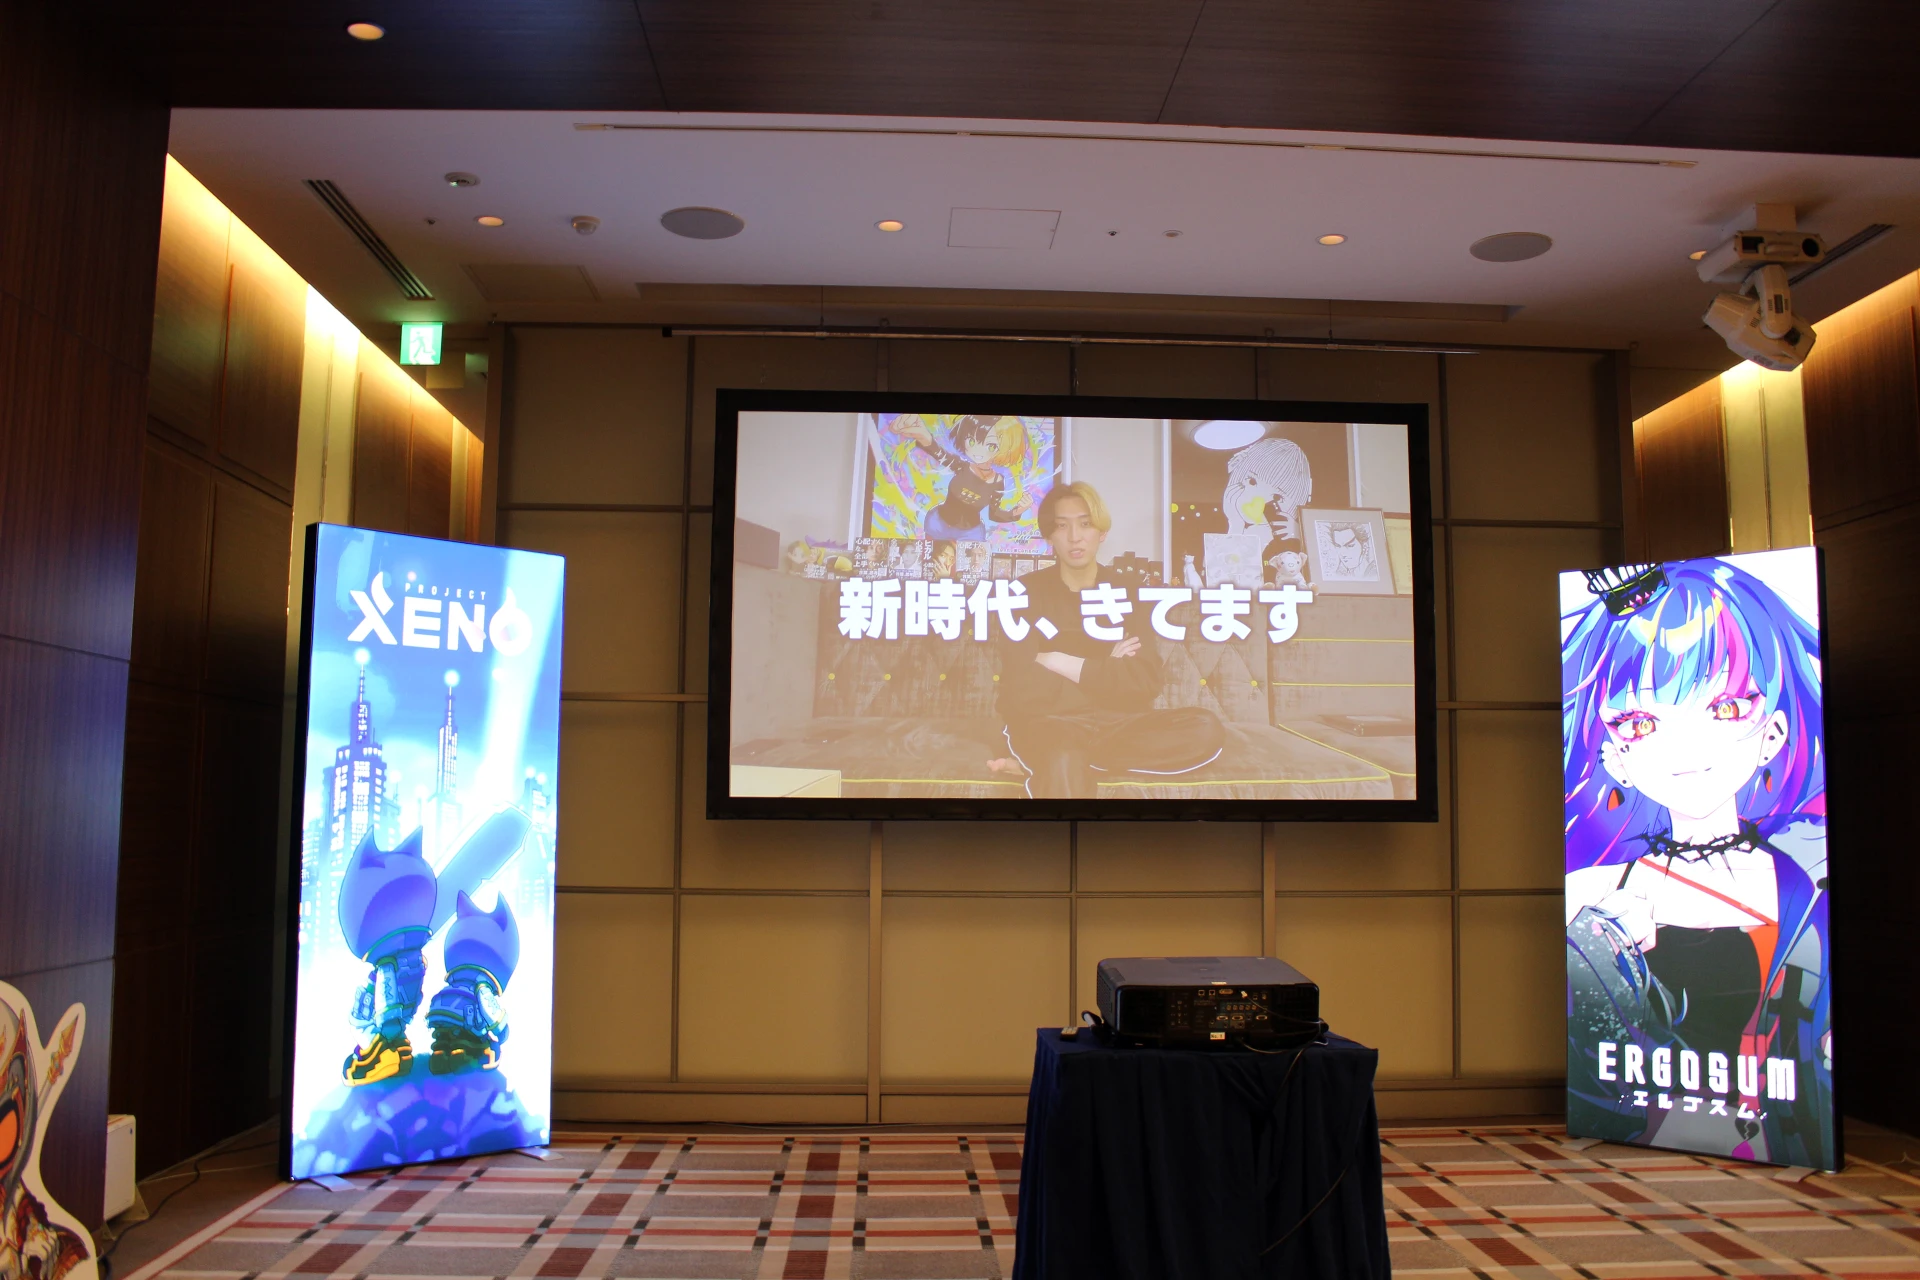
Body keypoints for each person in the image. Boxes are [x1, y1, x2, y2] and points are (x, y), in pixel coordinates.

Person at [1562, 557, 1830, 1168]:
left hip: (1787, 1140)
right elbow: (1591, 1069)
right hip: (1643, 1139)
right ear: (1615, 757)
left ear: (1773, 734)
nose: (1683, 745)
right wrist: (1598, 949)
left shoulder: (1810, 883)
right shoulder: (1591, 896)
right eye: (1640, 722)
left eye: (1724, 708)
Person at [994, 482, 1224, 799]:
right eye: (1062, 526)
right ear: (1049, 536)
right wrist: (1107, 668)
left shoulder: (1128, 592)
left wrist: (1057, 660)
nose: (1075, 537)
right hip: (1052, 725)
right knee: (1063, 755)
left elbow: (1145, 681)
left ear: (1101, 532)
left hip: (1119, 725)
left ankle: (1055, 760)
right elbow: (1022, 689)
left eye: (1085, 524)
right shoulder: (1023, 592)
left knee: (1205, 727)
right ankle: (1058, 759)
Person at [897, 415, 1033, 540]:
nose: (978, 451)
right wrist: (923, 435)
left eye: (991, 446)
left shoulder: (998, 482)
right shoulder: (961, 466)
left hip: (970, 534)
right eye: (972, 441)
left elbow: (994, 514)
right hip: (938, 524)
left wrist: (1018, 510)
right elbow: (939, 453)